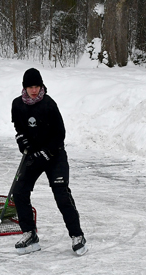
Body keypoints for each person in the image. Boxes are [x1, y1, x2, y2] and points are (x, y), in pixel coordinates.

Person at [11, 68, 87, 256]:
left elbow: (60, 134)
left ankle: (77, 235)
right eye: (30, 87)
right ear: (24, 87)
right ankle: (29, 234)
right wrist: (23, 142)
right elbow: (19, 129)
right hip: (33, 156)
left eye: (37, 86)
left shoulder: (48, 104)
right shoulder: (17, 105)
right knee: (19, 191)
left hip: (55, 155)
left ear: (41, 86)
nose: (34, 90)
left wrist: (47, 152)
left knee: (61, 193)